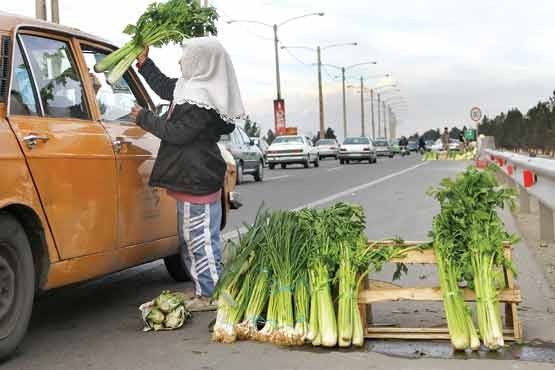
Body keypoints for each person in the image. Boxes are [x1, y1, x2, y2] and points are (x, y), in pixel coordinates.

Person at [130, 37, 244, 311]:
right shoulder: (192, 88)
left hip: (197, 178)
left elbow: (178, 133)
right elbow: (166, 87)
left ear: (202, 63)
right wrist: (144, 64)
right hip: (189, 177)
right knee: (192, 237)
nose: (181, 61)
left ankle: (210, 293)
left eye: (187, 57)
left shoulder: (203, 99)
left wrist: (144, 118)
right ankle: (204, 288)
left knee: (200, 238)